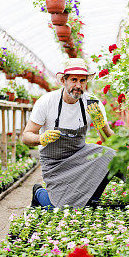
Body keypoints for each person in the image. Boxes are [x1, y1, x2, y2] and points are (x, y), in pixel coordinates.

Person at [22, 58, 118, 210]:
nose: (78, 86)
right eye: (74, 80)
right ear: (64, 81)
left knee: (111, 155)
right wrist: (41, 138)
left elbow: (109, 142)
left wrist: (103, 126)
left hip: (80, 157)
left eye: (82, 80)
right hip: (55, 164)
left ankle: (90, 200)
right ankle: (39, 192)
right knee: (58, 209)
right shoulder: (47, 102)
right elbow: (26, 136)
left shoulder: (92, 103)